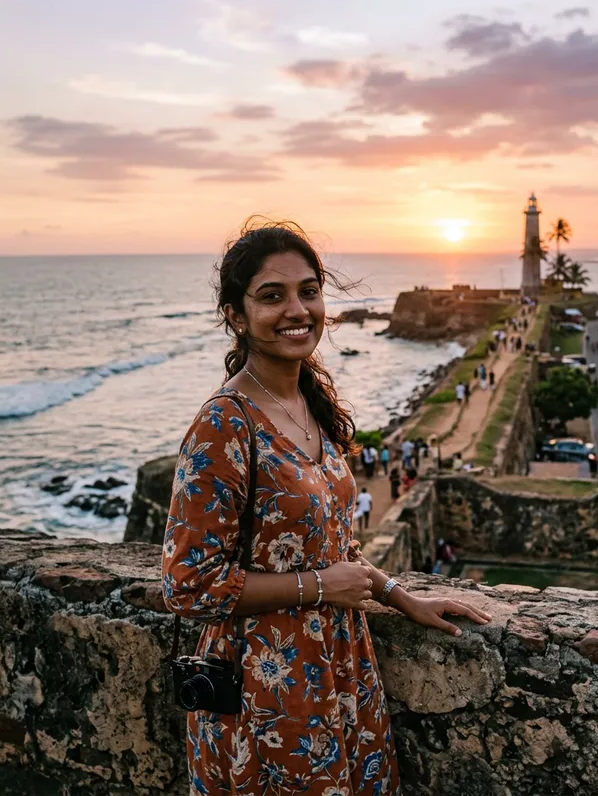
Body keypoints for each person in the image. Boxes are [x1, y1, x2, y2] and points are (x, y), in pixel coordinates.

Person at [161, 220, 491, 796]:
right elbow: (187, 585)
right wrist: (318, 587)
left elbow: (338, 550)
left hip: (343, 668)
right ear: (236, 316)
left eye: (308, 291)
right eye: (272, 296)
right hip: (266, 689)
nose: (297, 309)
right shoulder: (224, 424)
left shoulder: (310, 405)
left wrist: (401, 597)